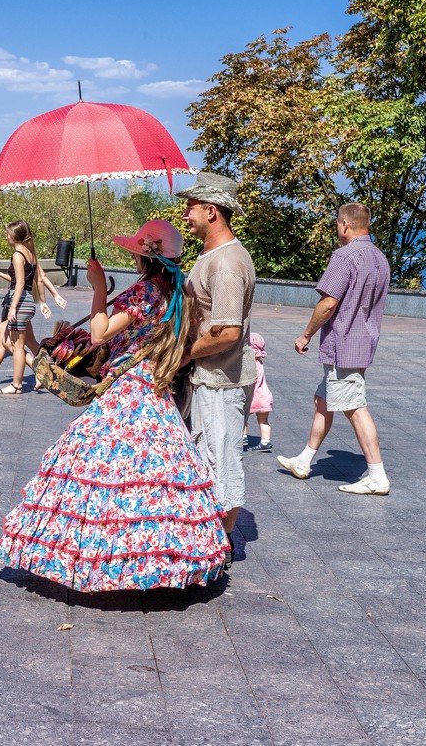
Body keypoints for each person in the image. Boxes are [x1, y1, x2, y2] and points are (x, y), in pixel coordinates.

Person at [0, 220, 230, 590]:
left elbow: (100, 332)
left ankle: (106, 561)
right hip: (155, 387)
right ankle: (163, 560)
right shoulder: (176, 290)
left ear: (143, 256)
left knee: (102, 467)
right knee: (153, 474)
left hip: (128, 388)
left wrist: (97, 288)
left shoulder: (144, 293)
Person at [276, 202, 392, 495]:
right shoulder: (380, 258)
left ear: (344, 224)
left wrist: (305, 335)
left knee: (354, 407)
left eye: (337, 224)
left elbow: (328, 302)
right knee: (323, 401)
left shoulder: (344, 257)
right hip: (362, 342)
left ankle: (377, 475)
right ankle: (304, 461)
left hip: (344, 345)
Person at [179, 172, 257, 564]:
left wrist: (184, 353)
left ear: (212, 211)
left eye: (191, 206)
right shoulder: (213, 255)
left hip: (221, 382)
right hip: (210, 379)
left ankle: (222, 544)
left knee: (222, 459)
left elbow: (227, 332)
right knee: (209, 455)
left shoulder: (226, 263)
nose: (185, 213)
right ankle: (212, 538)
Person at [0, 221, 48, 396]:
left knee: (16, 346)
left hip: (20, 303)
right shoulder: (30, 254)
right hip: (28, 302)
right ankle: (35, 372)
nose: (6, 237)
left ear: (14, 236)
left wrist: (13, 308)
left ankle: (17, 384)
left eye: (8, 234)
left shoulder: (17, 255)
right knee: (10, 340)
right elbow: (23, 280)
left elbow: (19, 283)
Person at [245, 332, 274, 452]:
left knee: (243, 418)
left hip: (253, 397)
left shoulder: (250, 365)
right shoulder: (260, 363)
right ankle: (265, 441)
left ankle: (242, 437)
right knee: (263, 421)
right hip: (265, 397)